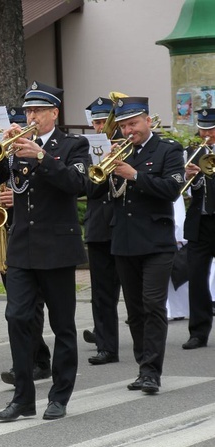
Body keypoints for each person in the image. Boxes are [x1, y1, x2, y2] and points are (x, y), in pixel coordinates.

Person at [0, 82, 89, 421]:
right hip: (22, 248)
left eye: (38, 111)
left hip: (57, 248)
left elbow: (78, 185)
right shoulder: (16, 147)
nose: (31, 116)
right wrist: (6, 149)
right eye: (28, 111)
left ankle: (59, 396)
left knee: (62, 325)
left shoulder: (74, 144)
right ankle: (23, 398)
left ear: (54, 114)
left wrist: (41, 156)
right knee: (17, 318)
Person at [105, 97, 184, 394]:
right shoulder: (120, 153)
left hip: (156, 241)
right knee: (135, 309)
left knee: (152, 305)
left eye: (133, 124)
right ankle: (143, 366)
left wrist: (135, 175)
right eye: (124, 126)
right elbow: (104, 193)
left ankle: (152, 372)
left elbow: (172, 189)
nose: (128, 131)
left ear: (148, 121)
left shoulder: (168, 150)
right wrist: (110, 173)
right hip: (124, 241)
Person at [0, 107, 52, 386]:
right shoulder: (5, 154)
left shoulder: (41, 151)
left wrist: (19, 198)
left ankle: (33, 362)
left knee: (29, 307)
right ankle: (34, 358)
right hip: (7, 235)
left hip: (37, 237)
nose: (28, 120)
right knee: (18, 309)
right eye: (26, 115)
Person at [83, 97, 122, 365]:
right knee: (102, 292)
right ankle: (106, 345)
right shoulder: (87, 149)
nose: (99, 127)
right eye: (96, 122)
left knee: (134, 292)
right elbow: (89, 190)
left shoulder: (129, 147)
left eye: (103, 121)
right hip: (99, 227)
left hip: (125, 226)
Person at [182, 108, 215, 349]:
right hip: (200, 222)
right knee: (196, 276)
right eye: (203, 128)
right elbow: (177, 184)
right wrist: (186, 175)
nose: (206, 133)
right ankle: (198, 332)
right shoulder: (191, 153)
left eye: (211, 129)